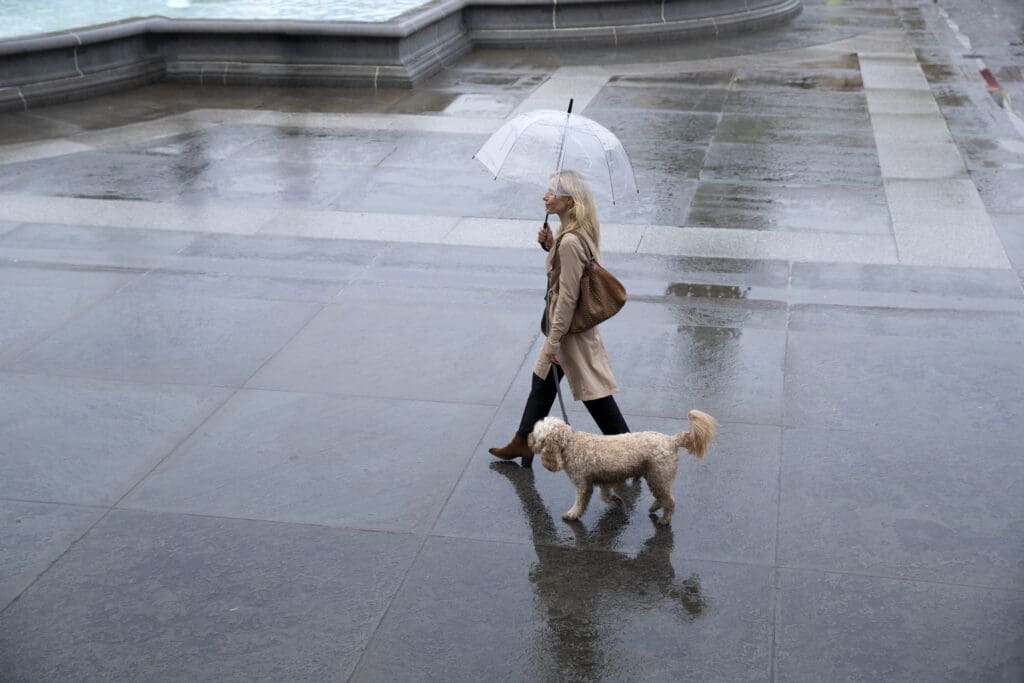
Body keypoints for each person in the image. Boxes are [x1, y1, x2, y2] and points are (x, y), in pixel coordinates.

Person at [489, 169, 629, 467]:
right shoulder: (573, 235)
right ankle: (523, 441)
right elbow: (571, 274)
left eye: (552, 191)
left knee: (595, 395)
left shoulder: (569, 242)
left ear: (569, 200)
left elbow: (568, 296)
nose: (545, 195)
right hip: (566, 329)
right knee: (541, 380)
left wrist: (554, 340)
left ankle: (628, 451)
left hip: (569, 332)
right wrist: (549, 245)